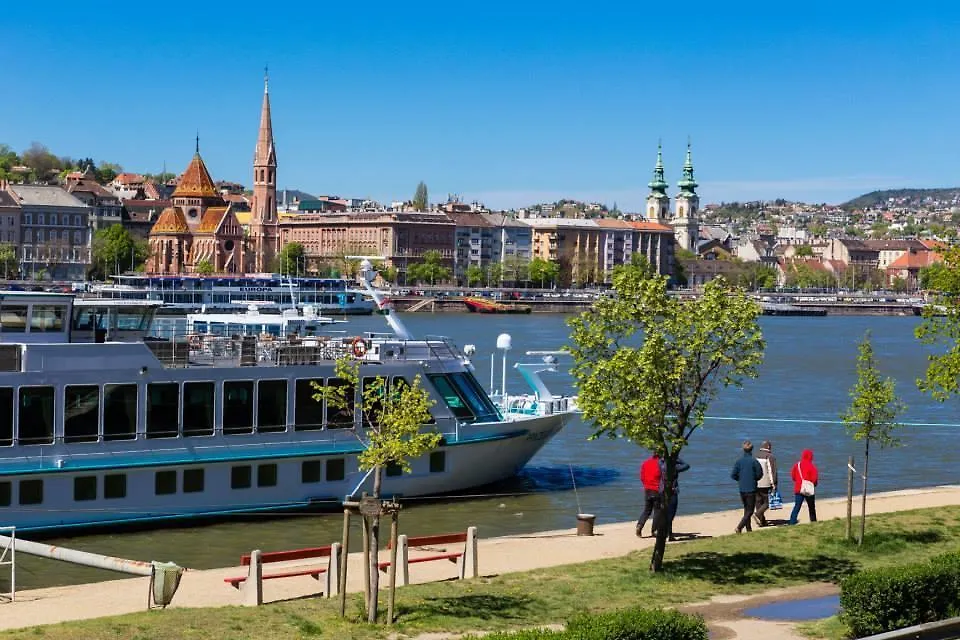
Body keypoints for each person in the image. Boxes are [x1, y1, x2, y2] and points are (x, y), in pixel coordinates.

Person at [731, 440, 763, 534]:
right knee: (750, 510)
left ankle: (749, 529)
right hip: (751, 488)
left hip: (742, 488)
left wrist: (740, 479)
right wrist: (753, 479)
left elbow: (733, 475)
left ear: (743, 449)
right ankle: (739, 527)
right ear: (752, 449)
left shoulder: (739, 461)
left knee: (746, 509)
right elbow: (760, 474)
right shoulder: (754, 461)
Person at [661, 456, 690, 541]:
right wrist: (677, 458)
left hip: (662, 491)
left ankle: (665, 533)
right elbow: (686, 465)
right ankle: (669, 534)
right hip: (672, 491)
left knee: (664, 513)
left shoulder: (661, 465)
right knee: (671, 514)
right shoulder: (674, 468)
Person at [636, 451, 662, 537]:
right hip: (657, 489)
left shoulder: (646, 463)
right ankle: (654, 530)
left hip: (647, 489)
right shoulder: (661, 464)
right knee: (657, 511)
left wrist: (646, 485)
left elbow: (642, 477)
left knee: (647, 510)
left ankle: (639, 525)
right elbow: (661, 476)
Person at [789, 449, 818, 524]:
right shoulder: (812, 466)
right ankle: (813, 521)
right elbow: (814, 479)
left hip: (799, 488)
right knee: (811, 507)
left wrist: (798, 481)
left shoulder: (797, 465)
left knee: (797, 506)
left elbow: (793, 476)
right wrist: (813, 484)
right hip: (808, 489)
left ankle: (792, 521)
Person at [754, 440, 778, 527]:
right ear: (768, 447)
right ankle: (757, 514)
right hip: (765, 483)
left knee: (758, 502)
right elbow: (772, 472)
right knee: (767, 503)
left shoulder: (755, 455)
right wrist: (774, 484)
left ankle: (762, 521)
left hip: (755, 482)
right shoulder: (770, 456)